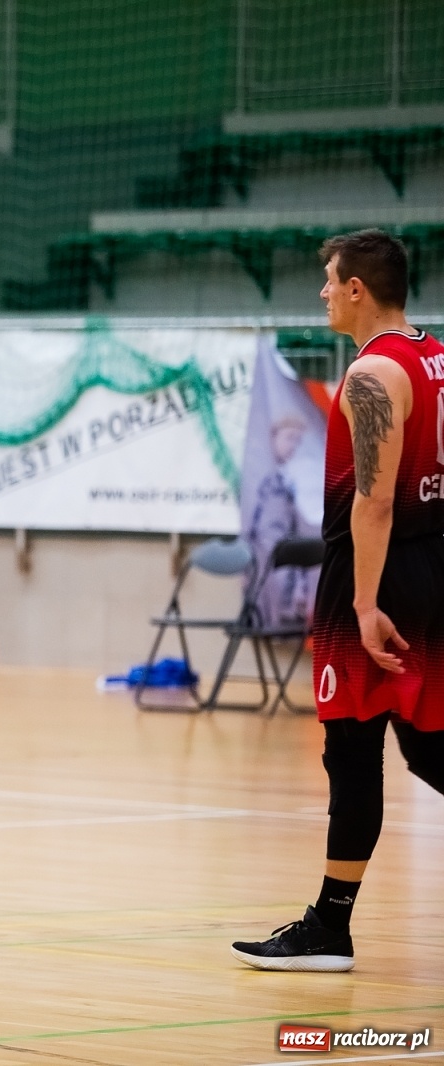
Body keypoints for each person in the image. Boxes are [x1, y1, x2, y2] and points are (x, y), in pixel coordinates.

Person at [231, 229, 444, 972]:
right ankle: (329, 922)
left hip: (379, 573)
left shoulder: (371, 375)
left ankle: (329, 928)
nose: (322, 292)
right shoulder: (435, 357)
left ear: (357, 288)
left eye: (329, 280)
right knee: (424, 743)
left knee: (353, 748)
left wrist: (361, 603)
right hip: (432, 564)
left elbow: (375, 502)